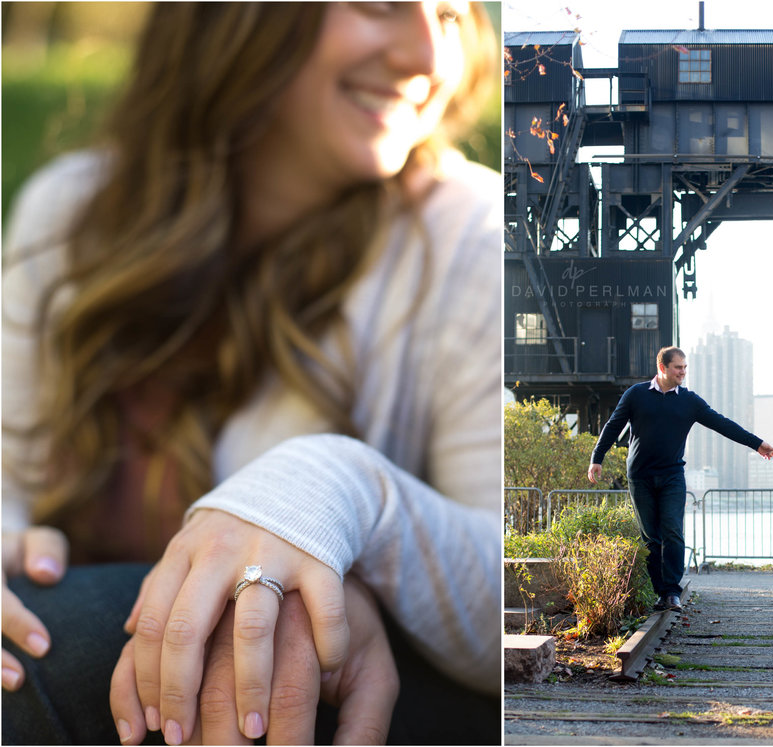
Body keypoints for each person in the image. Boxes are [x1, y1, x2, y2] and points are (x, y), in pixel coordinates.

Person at [1, 3, 501, 744]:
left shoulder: (470, 234)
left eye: (454, 15)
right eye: (381, 3)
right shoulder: (71, 209)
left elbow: (518, 597)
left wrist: (338, 495)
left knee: (63, 645)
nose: (426, 55)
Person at [587, 346, 773, 613]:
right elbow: (613, 425)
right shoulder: (636, 394)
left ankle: (672, 593)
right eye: (678, 367)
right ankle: (659, 592)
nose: (683, 372)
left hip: (672, 475)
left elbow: (722, 423)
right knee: (651, 538)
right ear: (662, 367)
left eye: (685, 367)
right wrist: (597, 457)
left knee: (673, 532)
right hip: (640, 476)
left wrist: (757, 444)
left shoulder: (689, 401)